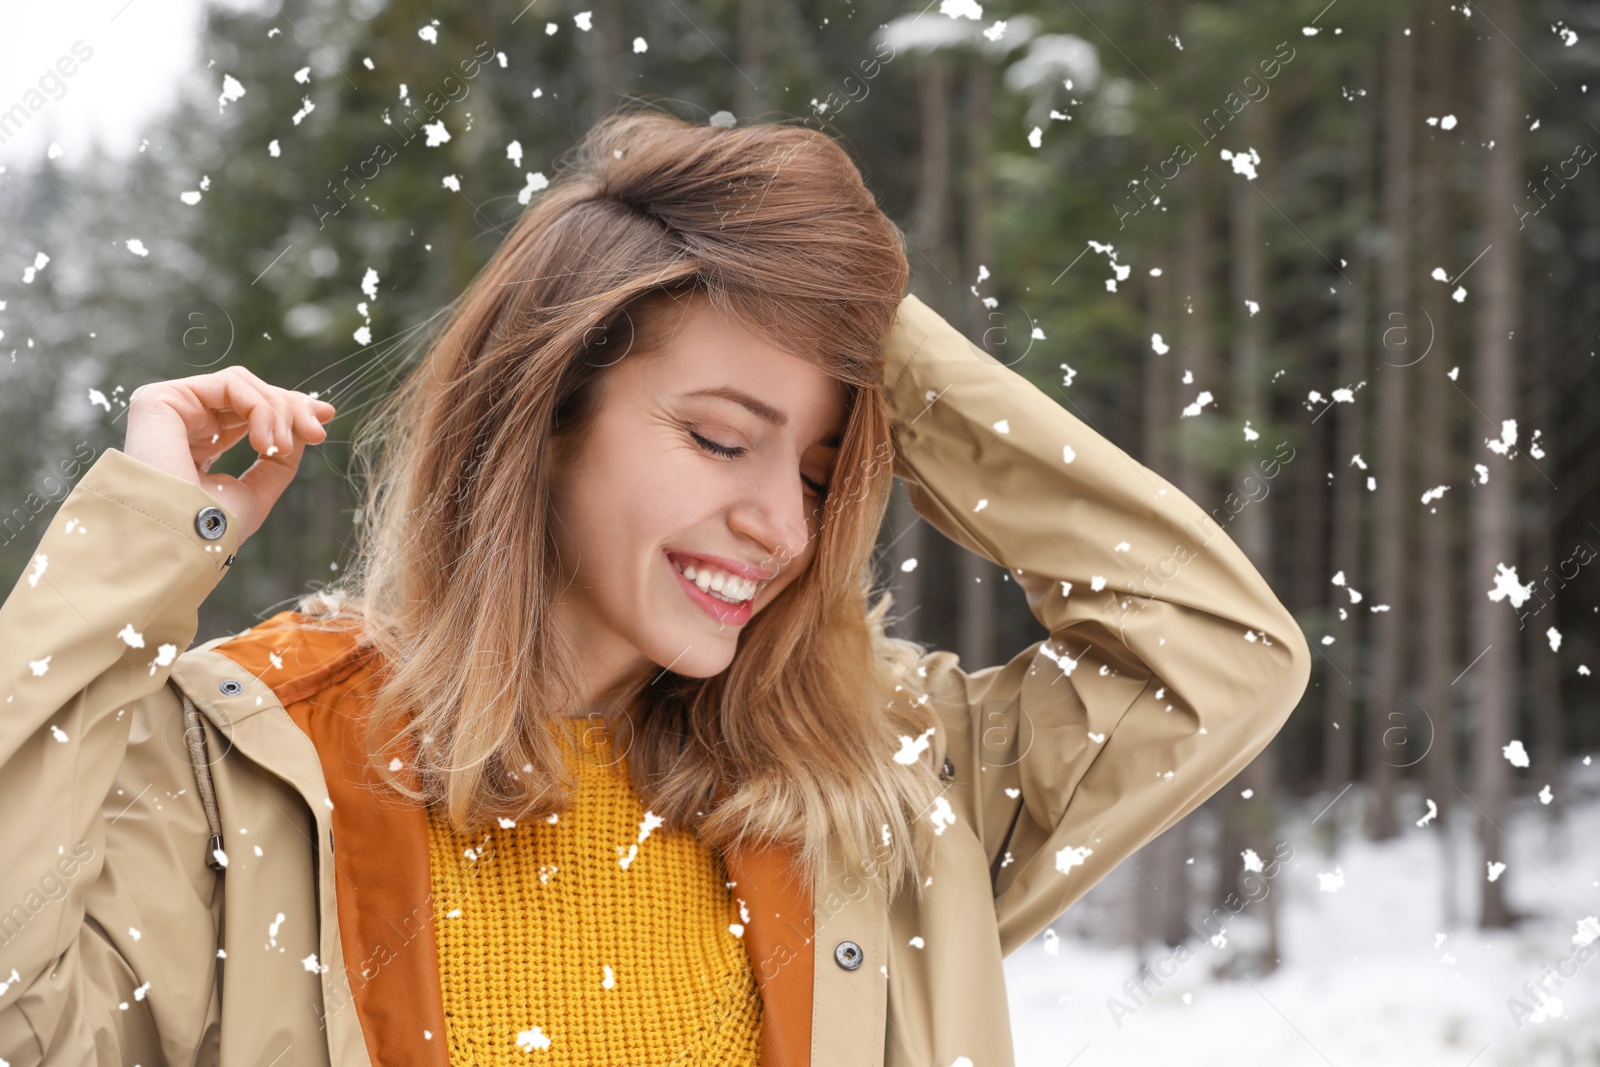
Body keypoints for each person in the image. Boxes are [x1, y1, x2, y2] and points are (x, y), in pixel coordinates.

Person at [0, 108, 1311, 1067]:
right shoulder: (256, 761)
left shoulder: (883, 775)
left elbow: (1213, 651)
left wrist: (867, 320)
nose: (777, 525)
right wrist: (134, 550)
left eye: (819, 467)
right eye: (720, 439)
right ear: (545, 416)